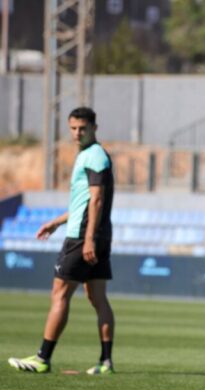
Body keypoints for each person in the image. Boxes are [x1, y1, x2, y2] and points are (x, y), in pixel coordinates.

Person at [8, 107, 115, 375]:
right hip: (95, 234)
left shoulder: (94, 156)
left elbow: (97, 199)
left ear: (94, 128)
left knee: (59, 294)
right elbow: (84, 202)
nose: (77, 133)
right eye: (73, 128)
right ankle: (105, 362)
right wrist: (56, 222)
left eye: (83, 128)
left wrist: (88, 238)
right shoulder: (91, 155)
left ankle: (43, 357)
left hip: (83, 237)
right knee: (97, 297)